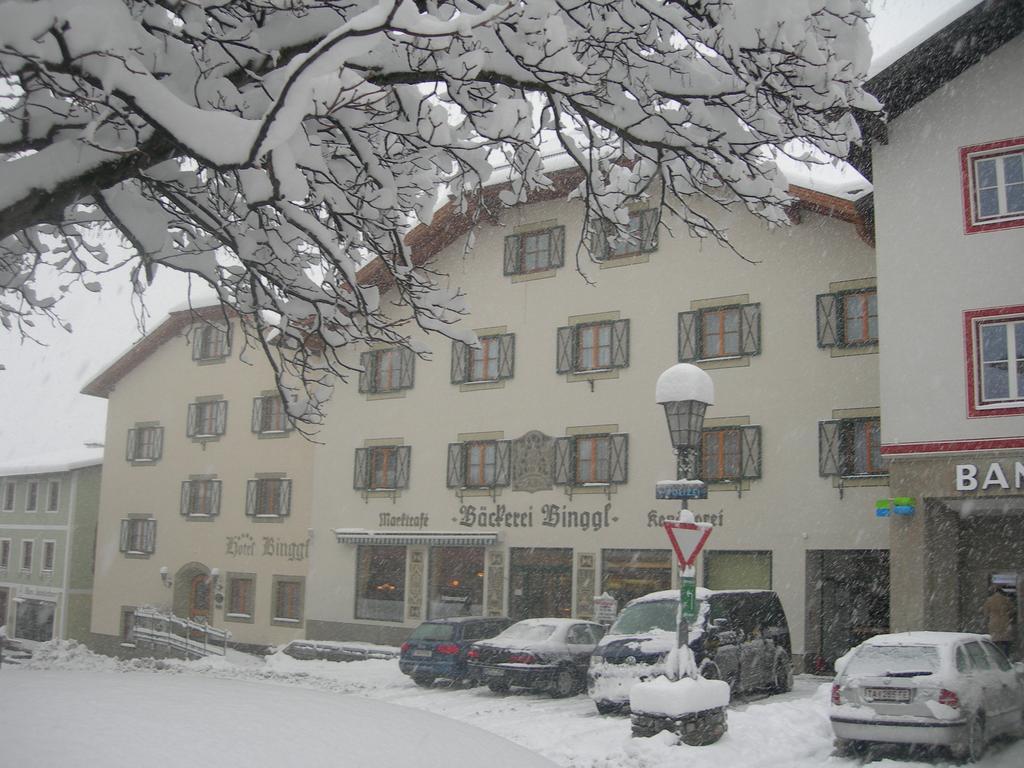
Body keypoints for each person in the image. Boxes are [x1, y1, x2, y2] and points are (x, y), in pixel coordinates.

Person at [982, 585, 1015, 660]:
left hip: (993, 623)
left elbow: (985, 613)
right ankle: (1006, 658)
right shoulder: (1006, 599)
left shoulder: (989, 600)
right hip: (1005, 623)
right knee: (1006, 642)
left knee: (994, 642)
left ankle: (995, 658)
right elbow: (1012, 610)